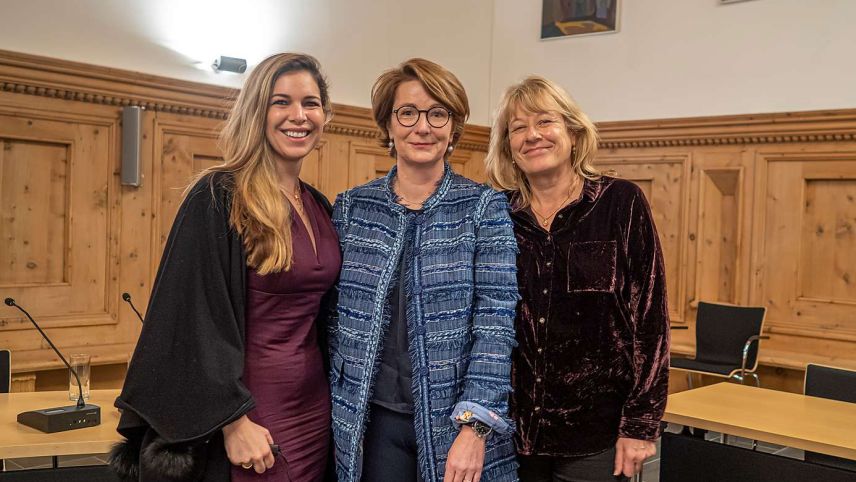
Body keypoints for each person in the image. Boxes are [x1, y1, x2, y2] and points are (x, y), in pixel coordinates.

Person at [110, 53, 339, 482]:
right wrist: (233, 420)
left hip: (315, 409)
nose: (299, 116)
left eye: (310, 103)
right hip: (251, 414)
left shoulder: (320, 206)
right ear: (257, 111)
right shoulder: (219, 196)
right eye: (281, 102)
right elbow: (186, 319)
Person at [329, 58, 519, 482]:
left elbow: (496, 323)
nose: (423, 127)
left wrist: (476, 425)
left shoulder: (483, 209)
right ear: (388, 125)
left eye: (438, 114)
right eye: (408, 113)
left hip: (456, 423)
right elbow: (329, 319)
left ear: (453, 128)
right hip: (369, 422)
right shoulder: (352, 208)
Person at [484, 75, 670, 482]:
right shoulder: (495, 214)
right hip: (510, 433)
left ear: (572, 131)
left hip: (596, 434)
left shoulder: (621, 202)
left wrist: (640, 424)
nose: (533, 135)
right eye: (518, 128)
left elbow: (650, 322)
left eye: (545, 122)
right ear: (508, 148)